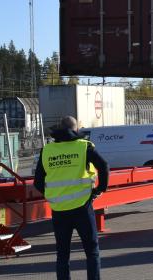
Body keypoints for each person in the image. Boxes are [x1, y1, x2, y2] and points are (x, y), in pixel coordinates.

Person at [34, 116, 109, 280]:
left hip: (59, 210)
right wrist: (99, 189)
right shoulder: (84, 147)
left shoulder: (47, 150)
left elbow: (38, 181)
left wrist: (52, 196)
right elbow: (103, 166)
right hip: (82, 207)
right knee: (92, 251)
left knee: (62, 254)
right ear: (76, 129)